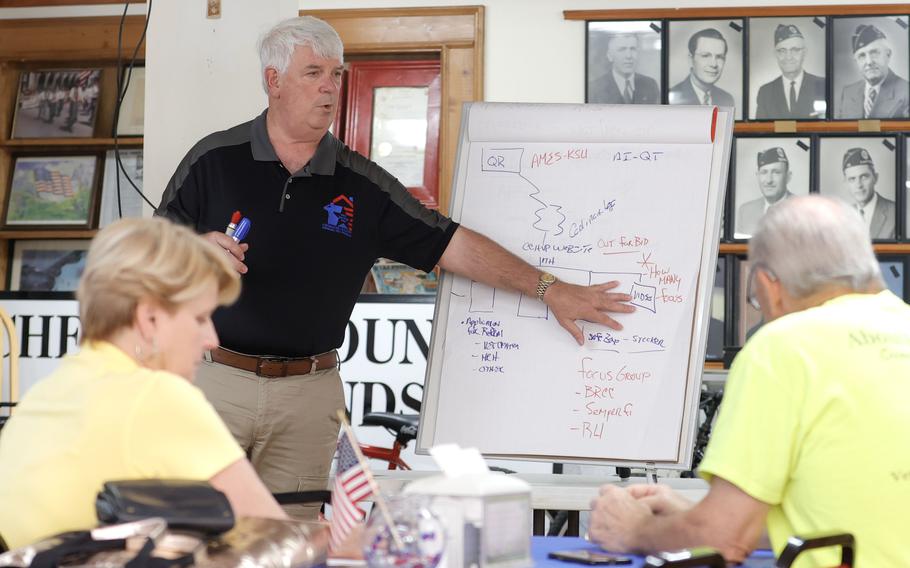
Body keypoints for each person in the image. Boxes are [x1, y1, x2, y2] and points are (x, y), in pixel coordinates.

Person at [156, 16, 635, 520]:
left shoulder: (362, 183)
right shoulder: (214, 160)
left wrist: (548, 287)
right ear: (273, 81)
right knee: (190, 531)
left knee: (294, 543)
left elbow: (450, 243)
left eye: (337, 75)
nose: (329, 88)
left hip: (308, 393)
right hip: (214, 381)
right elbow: (148, 255)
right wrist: (192, 251)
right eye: (313, 73)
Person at [589, 195, 910, 567]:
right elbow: (857, 513)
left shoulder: (784, 347)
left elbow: (723, 541)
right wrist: (697, 514)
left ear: (767, 284)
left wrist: (635, 530)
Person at [0, 218, 288, 549]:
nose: (211, 338)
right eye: (199, 318)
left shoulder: (48, 391)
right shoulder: (156, 394)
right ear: (149, 319)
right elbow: (276, 543)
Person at [836, 24, 910, 119]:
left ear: (888, 54)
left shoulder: (906, 91)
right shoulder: (848, 92)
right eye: (862, 56)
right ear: (856, 61)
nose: (869, 62)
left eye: (874, 52)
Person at [754, 24, 826, 119]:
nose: (788, 57)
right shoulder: (765, 92)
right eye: (782, 51)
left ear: (804, 52)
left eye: (795, 50)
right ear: (775, 54)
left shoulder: (822, 85)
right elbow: (761, 131)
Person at [736, 147, 795, 237]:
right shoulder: (745, 211)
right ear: (758, 176)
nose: (769, 180)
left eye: (776, 172)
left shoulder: (804, 209)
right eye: (764, 172)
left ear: (788, 176)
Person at [668, 28, 735, 108]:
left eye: (719, 57)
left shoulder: (727, 99)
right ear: (690, 59)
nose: (714, 64)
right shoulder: (671, 97)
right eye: (705, 56)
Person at [841, 146, 895, 239]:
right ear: (846, 183)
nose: (859, 185)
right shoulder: (843, 215)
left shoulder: (896, 213)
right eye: (852, 179)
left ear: (875, 178)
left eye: (864, 177)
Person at [589, 33, 659, 104]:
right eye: (622, 50)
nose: (629, 56)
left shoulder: (650, 85)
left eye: (633, 49)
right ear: (610, 56)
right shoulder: (594, 88)